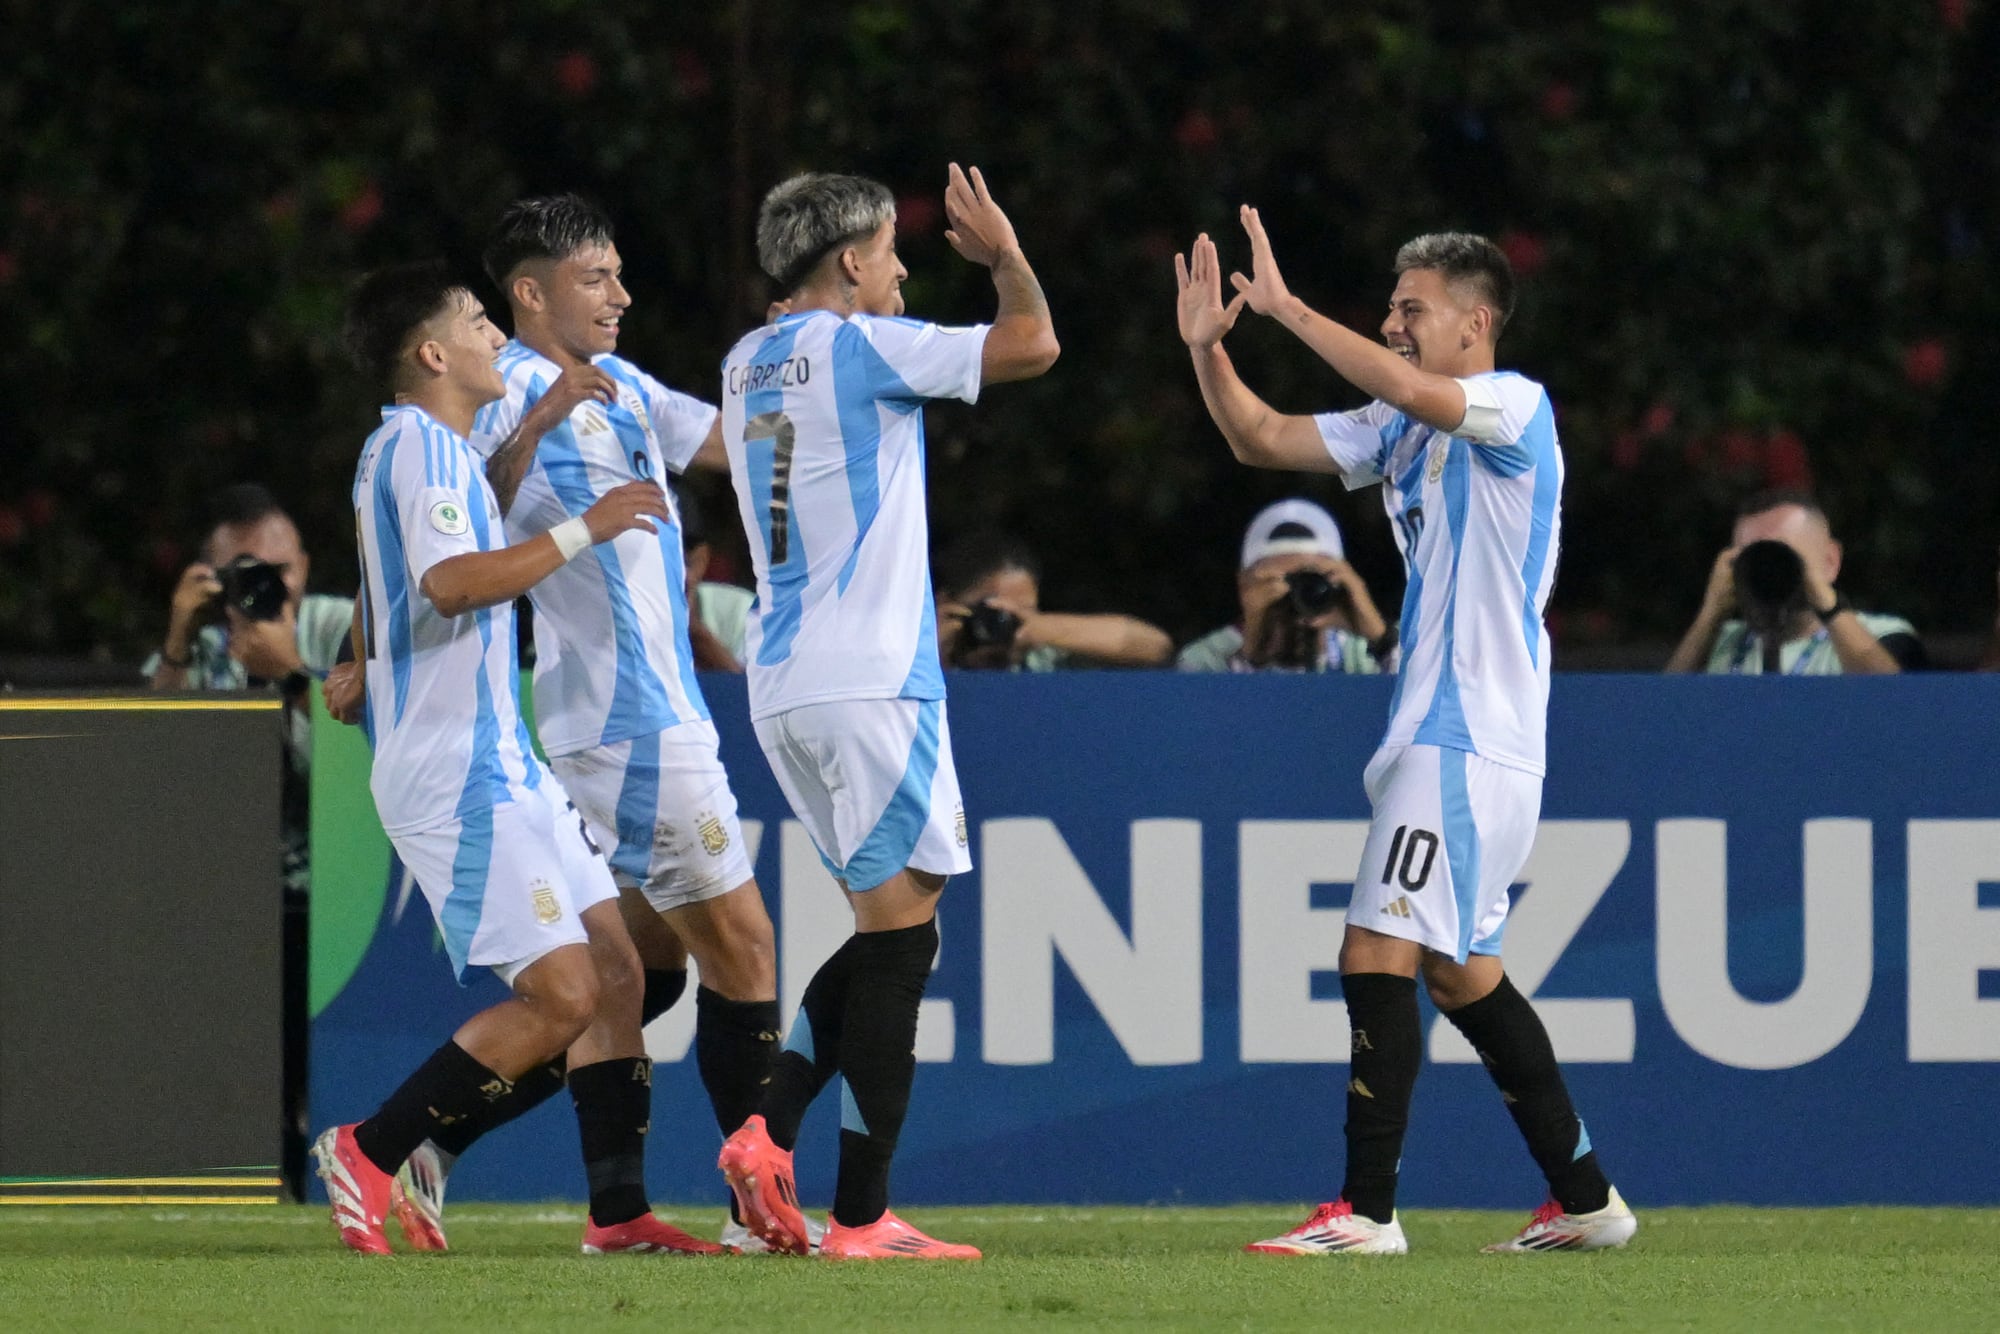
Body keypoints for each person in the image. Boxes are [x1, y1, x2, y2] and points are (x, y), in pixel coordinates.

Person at [1176, 214, 1636, 1254]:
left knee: (1374, 943)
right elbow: (1260, 437)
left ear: (1476, 322)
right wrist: (1209, 347)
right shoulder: (1405, 429)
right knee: (1460, 968)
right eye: (1388, 308)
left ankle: (1365, 1211)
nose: (1391, 323)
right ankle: (1585, 1198)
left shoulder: (1510, 405)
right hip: (1458, 733)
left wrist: (1289, 310)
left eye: (1410, 308)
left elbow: (1421, 390)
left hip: (1465, 732)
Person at [371, 195, 790, 1256]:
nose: (620, 294)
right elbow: (456, 533)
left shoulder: (626, 385)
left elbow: (738, 438)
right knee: (743, 942)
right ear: (529, 292)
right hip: (622, 719)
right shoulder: (485, 390)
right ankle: (762, 1207)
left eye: (617, 274)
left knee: (634, 976)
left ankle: (537, 1181)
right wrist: (543, 428)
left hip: (660, 707)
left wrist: (816, 364)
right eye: (596, 277)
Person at [313, 258, 715, 1258]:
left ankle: (618, 1213)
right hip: (458, 769)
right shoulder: (419, 449)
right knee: (565, 994)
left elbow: (434, 555)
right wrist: (590, 523)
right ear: (432, 352)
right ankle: (369, 1149)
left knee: (619, 970)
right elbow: (451, 582)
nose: (498, 334)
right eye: (478, 320)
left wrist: (531, 432)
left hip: (504, 756)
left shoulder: (423, 449)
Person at [713, 165, 1058, 1261]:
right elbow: (1033, 344)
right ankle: (857, 1213)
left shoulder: (742, 359)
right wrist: (1003, 256)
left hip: (783, 688)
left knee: (887, 929)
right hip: (871, 679)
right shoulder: (862, 345)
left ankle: (765, 1133)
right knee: (904, 946)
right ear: (851, 261)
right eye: (893, 254)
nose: (905, 271)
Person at [1664, 489, 1923, 674]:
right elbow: (1661, 719)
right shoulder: (1719, 643)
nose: (1769, 569)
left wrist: (1825, 603)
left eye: (1782, 555)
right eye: (1754, 557)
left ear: (1830, 561)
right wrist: (1710, 613)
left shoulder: (1881, 636)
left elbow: (1894, 704)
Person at [1178, 498, 1396, 674]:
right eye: (1278, 582)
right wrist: (1252, 653)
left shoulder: (1361, 651)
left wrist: (1382, 639)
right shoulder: (1206, 658)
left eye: (1308, 581)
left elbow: (1421, 708)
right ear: (1244, 585)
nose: (1294, 597)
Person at [933, 532, 1172, 671]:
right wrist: (930, 650)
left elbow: (1155, 647)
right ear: (948, 603)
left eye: (1020, 612)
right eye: (993, 608)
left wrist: (1044, 628)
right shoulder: (910, 657)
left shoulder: (1038, 657)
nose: (1004, 622)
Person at [677, 483, 754, 671]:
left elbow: (755, 696)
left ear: (703, 557)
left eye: (684, 556)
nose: (679, 571)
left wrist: (696, 633)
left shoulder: (739, 609)